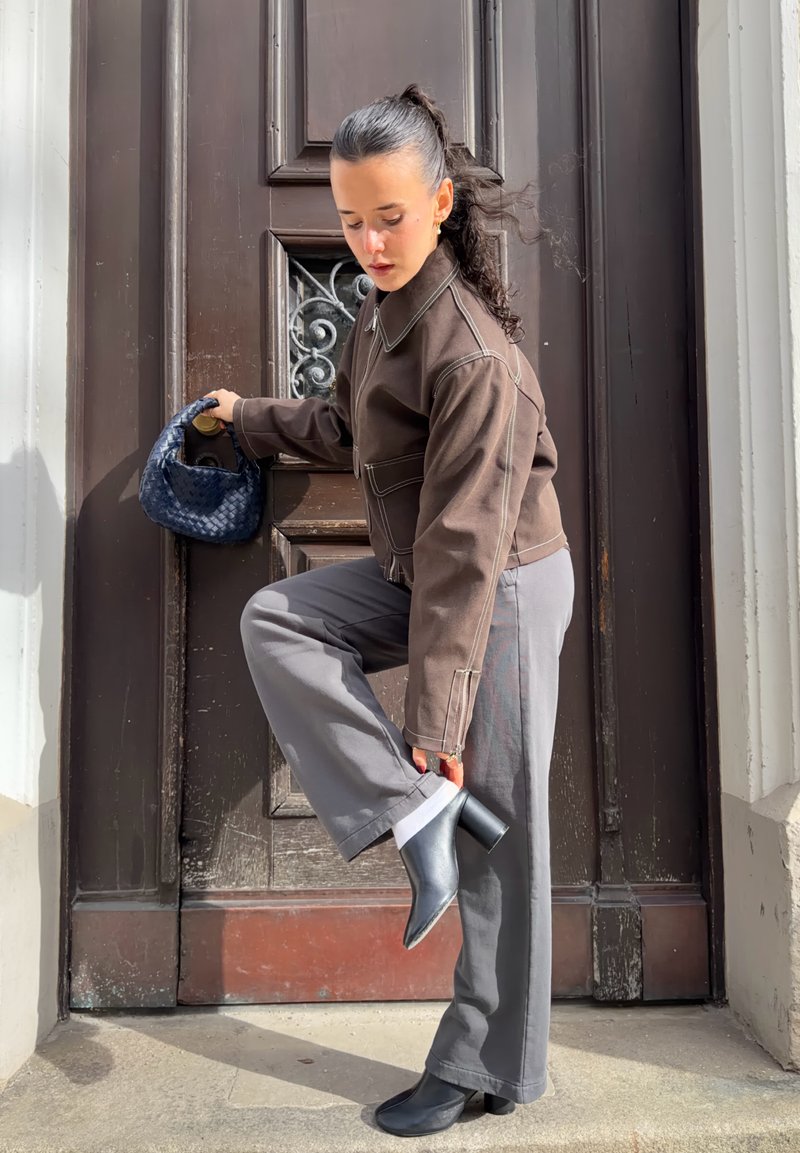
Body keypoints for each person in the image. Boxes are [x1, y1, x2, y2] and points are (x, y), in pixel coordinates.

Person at [203, 83, 574, 1139]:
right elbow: (345, 427)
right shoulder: (384, 309)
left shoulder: (474, 357)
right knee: (281, 621)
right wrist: (247, 420)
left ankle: (482, 1066)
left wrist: (434, 729)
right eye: (350, 217)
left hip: (495, 588)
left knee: (503, 843)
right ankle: (414, 812)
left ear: (442, 201)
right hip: (425, 570)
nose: (366, 238)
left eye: (390, 216)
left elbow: (468, 552)